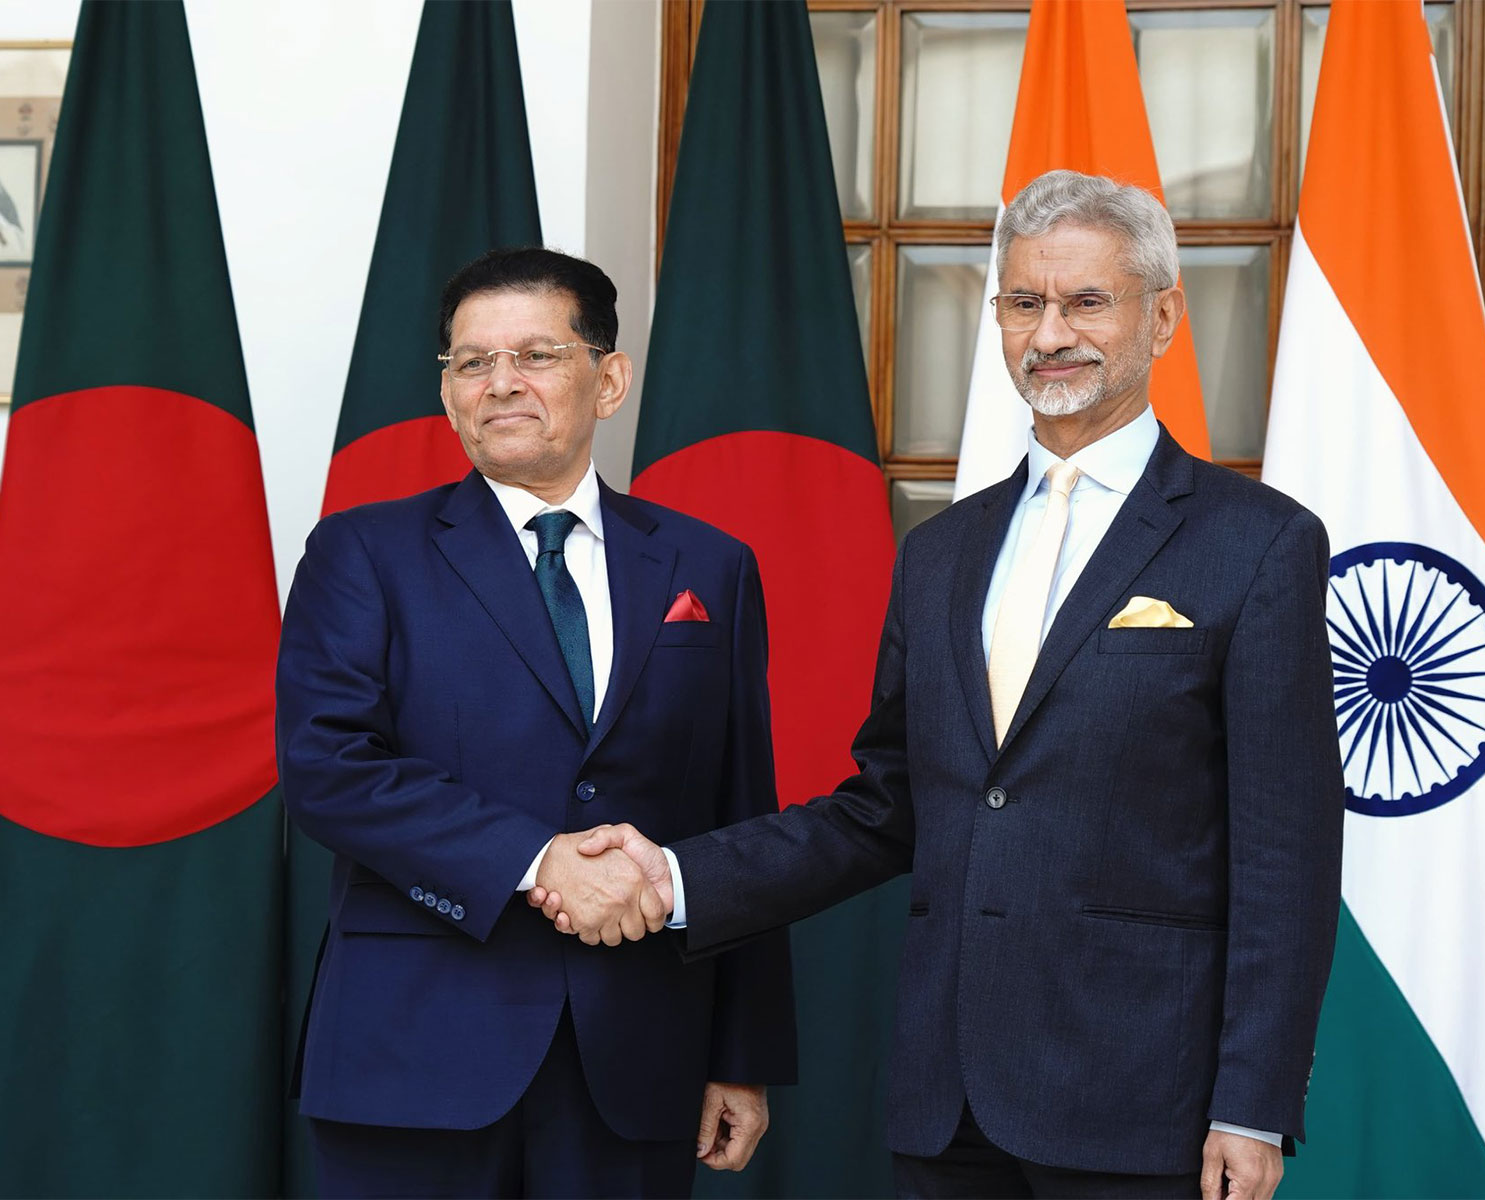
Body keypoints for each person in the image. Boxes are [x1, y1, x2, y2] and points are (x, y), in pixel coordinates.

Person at [533, 170, 1345, 1200]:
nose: (1050, 333)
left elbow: (1285, 852)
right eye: (1023, 302)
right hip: (946, 1101)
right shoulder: (941, 552)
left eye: (1087, 301)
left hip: (1149, 1104)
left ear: (1163, 318)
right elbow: (887, 808)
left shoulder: (1259, 542)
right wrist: (674, 878)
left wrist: (1252, 1103)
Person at [276, 246, 796, 1199]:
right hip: (415, 1053)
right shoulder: (362, 552)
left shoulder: (709, 566)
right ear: (448, 394)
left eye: (536, 355)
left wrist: (741, 1052)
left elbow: (740, 813)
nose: (501, 383)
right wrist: (537, 860)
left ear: (610, 379)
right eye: (472, 362)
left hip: (639, 1055)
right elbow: (330, 769)